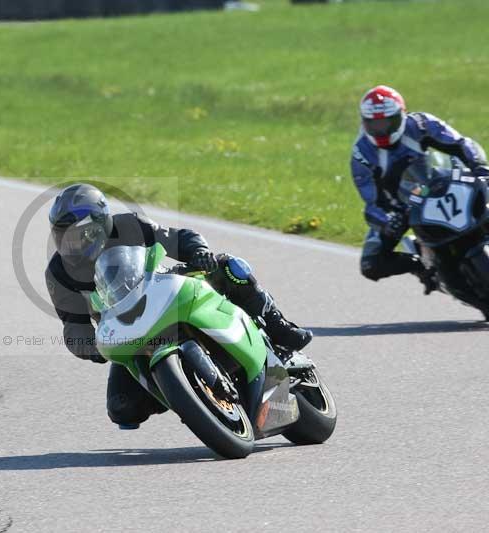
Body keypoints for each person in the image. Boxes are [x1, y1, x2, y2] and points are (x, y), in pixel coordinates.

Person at [45, 183, 312, 429]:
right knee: (122, 408)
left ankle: (278, 325)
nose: (68, 245)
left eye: (75, 236)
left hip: (165, 290)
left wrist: (198, 252)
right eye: (61, 237)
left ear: (97, 227)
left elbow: (177, 237)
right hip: (129, 329)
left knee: (228, 267)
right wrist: (91, 348)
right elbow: (73, 326)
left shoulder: (129, 225)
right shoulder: (59, 272)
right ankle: (187, 395)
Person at [351, 85, 488, 291]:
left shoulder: (421, 124)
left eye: (387, 122)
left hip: (443, 185)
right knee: (371, 264)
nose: (381, 129)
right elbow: (372, 202)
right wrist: (387, 220)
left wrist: (480, 169)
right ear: (364, 122)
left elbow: (461, 144)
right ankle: (422, 266)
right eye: (374, 124)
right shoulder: (361, 154)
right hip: (403, 206)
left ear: (401, 115)